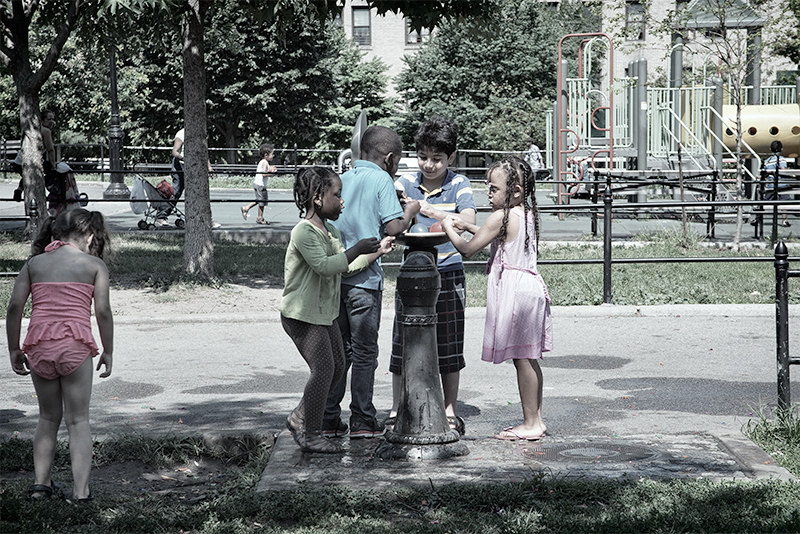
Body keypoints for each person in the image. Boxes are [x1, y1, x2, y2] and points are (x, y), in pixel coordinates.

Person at [281, 167, 395, 453]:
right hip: (302, 315)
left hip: (323, 314)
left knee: (339, 365)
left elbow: (344, 266)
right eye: (337, 195)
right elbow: (325, 266)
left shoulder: (329, 230)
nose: (342, 201)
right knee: (323, 370)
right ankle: (311, 433)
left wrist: (377, 251)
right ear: (318, 198)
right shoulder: (304, 232)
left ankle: (299, 417)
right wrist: (356, 248)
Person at [6, 208, 114, 501]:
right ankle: (81, 492)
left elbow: (14, 307)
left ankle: (41, 486)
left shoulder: (34, 264)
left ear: (55, 233)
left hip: (39, 346)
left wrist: (14, 348)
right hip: (75, 347)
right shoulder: (93, 266)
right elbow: (102, 311)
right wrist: (108, 350)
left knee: (48, 418)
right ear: (89, 235)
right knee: (78, 420)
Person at [442, 156, 551, 441]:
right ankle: (536, 419)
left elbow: (467, 251)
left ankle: (530, 424)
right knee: (529, 357)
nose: (488, 194)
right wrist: (470, 227)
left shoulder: (499, 217)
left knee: (522, 359)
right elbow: (499, 238)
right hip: (530, 288)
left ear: (514, 191)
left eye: (493, 188)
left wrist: (449, 228)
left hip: (516, 294)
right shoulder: (523, 213)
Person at [322, 126, 420, 439]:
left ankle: (328, 416)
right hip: (365, 282)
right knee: (364, 353)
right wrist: (410, 210)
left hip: (338, 280)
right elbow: (394, 227)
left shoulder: (343, 178)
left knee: (341, 352)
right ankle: (363, 418)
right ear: (390, 159)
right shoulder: (382, 179)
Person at [387, 116, 476, 435]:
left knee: (450, 343)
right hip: (412, 271)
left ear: (450, 157)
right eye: (423, 157)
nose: (429, 164)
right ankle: (397, 407)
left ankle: (449, 409)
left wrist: (426, 209)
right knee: (403, 341)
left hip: (449, 271)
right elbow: (393, 220)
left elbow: (466, 218)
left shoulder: (459, 183)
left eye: (437, 159)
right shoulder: (404, 183)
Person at [157, 127, 220, 228]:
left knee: (199, 192)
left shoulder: (200, 132)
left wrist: (209, 167)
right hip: (180, 165)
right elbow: (175, 152)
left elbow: (204, 151)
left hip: (195, 166)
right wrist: (185, 158)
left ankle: (207, 219)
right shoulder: (182, 133)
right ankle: (161, 216)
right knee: (176, 191)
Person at [241, 143, 276, 225]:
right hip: (260, 185)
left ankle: (247, 208)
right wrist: (272, 173)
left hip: (258, 183)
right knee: (262, 201)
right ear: (266, 155)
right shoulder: (264, 162)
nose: (273, 156)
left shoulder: (264, 162)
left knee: (260, 200)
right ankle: (259, 217)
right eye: (272, 154)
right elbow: (263, 174)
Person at [763, 148, 791, 227]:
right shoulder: (781, 159)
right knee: (785, 201)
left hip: (771, 184)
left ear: (770, 149)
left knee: (766, 201)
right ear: (782, 149)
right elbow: (783, 169)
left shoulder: (767, 161)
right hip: (782, 183)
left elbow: (765, 173)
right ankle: (784, 220)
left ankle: (758, 217)